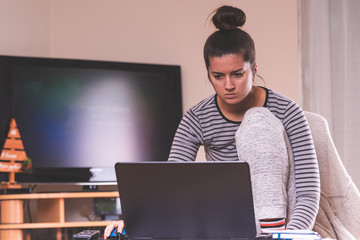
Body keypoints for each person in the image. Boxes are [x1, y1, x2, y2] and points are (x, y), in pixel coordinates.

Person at [104, 5, 320, 239]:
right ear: (209, 74)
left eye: (238, 74)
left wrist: (290, 235)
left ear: (254, 69)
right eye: (218, 76)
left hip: (280, 224)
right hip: (225, 226)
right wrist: (134, 220)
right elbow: (170, 184)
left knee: (258, 120)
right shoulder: (197, 118)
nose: (228, 85)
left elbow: (308, 191)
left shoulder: (287, 111)